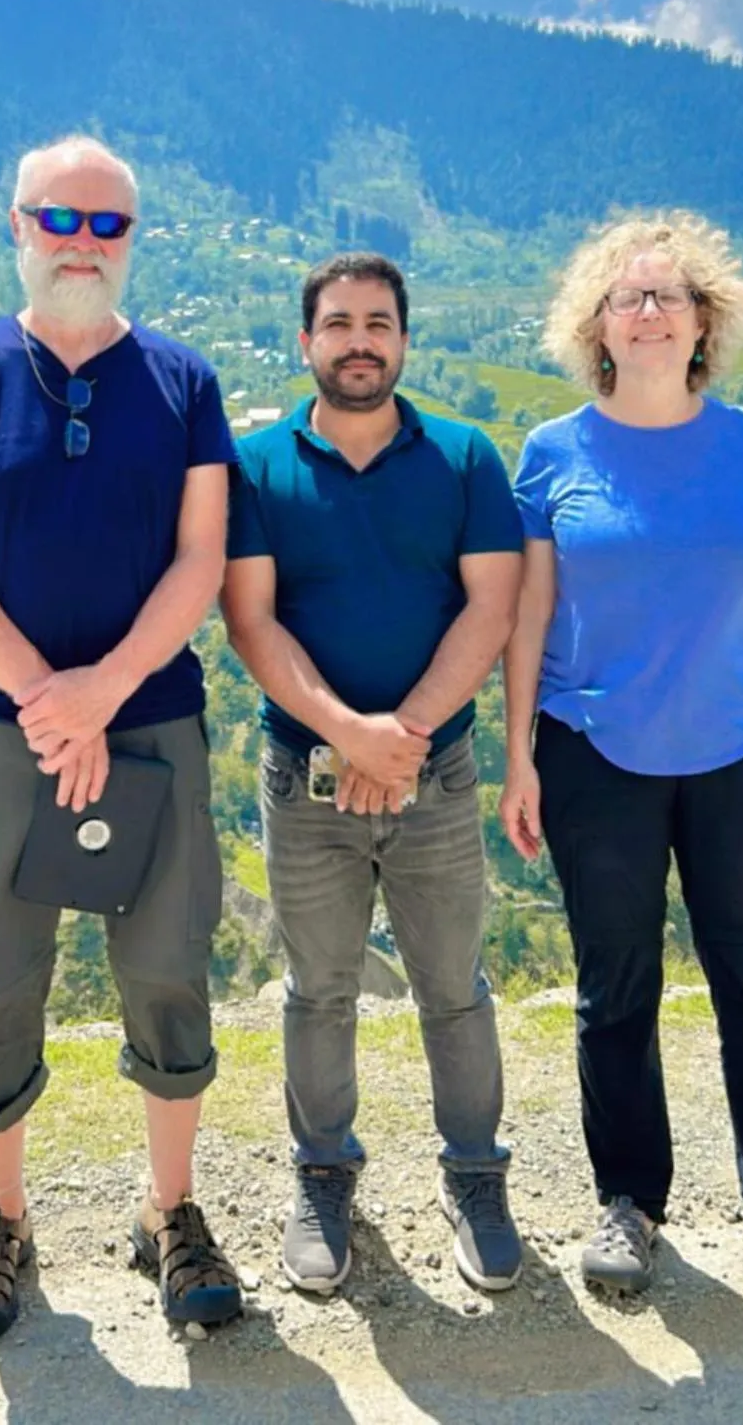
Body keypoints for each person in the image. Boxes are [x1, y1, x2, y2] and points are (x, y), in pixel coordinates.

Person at [0, 133, 242, 1342]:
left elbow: (201, 559)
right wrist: (56, 695)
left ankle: (172, 1214)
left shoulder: (186, 385)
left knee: (164, 971)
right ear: (18, 227)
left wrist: (105, 691)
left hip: (152, 720)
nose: (84, 245)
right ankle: (2, 1225)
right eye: (62, 219)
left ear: (134, 240)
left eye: (110, 226)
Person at [500, 211, 743, 1328]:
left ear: (705, 320)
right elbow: (528, 616)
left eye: (670, 296)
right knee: (617, 990)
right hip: (595, 753)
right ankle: (629, 1204)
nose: (650, 311)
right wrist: (517, 754)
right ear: (596, 326)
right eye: (629, 296)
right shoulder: (554, 453)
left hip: (738, 751)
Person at [223, 252, 524, 1296]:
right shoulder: (255, 466)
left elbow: (492, 608)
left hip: (435, 778)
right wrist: (350, 733)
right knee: (319, 993)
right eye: (339, 323)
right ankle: (322, 1178)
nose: (360, 340)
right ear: (306, 341)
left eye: (379, 323)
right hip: (305, 781)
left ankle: (476, 1176)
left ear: (404, 338)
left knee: (454, 989)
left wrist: (401, 736)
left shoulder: (466, 457)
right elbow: (249, 622)